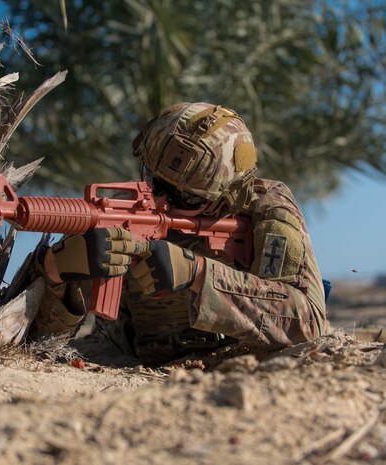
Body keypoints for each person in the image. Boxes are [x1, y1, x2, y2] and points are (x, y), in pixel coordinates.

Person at [25, 102, 328, 364]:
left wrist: (197, 274)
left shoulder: (265, 209)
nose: (160, 199)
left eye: (185, 197)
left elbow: (308, 321)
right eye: (154, 180)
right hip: (123, 356)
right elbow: (39, 342)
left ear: (227, 196)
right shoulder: (124, 210)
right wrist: (57, 272)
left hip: (227, 365)